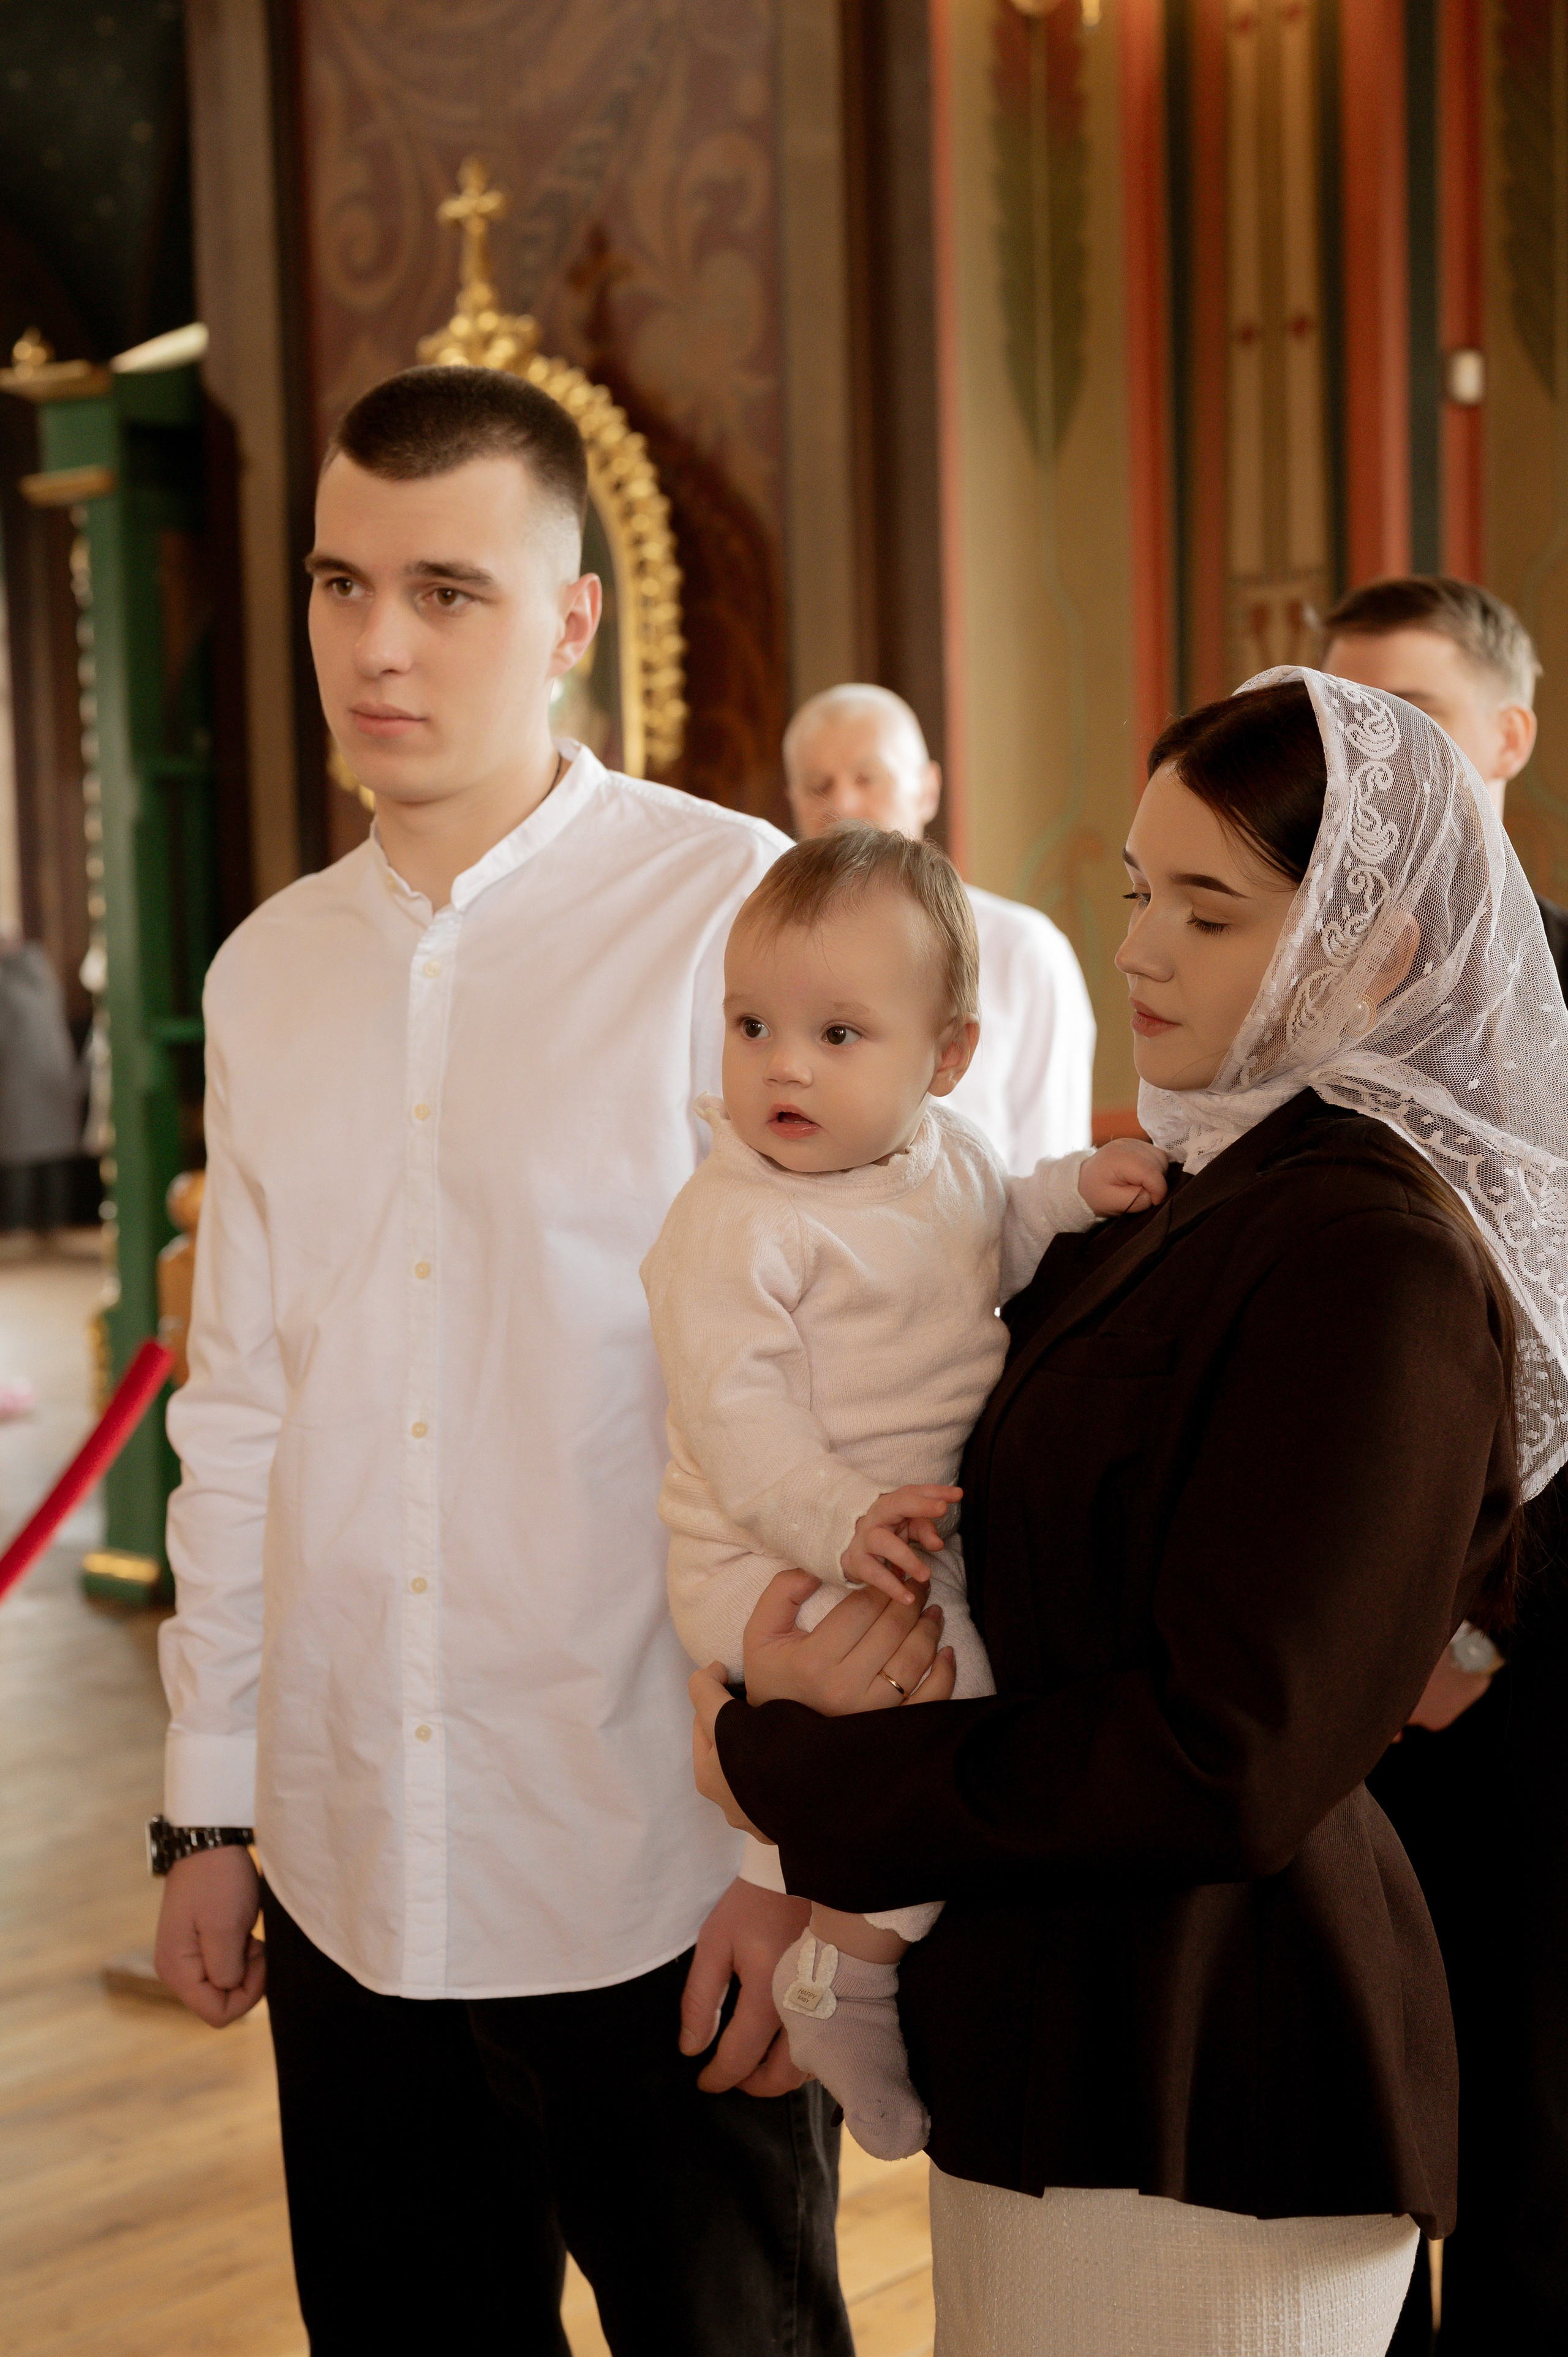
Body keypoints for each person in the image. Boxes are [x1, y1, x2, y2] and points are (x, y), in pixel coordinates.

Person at [691, 668, 1568, 2356]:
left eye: (1212, 910)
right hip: (1057, 2024)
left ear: (1373, 948)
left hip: (1217, 2065)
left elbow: (1231, 1753)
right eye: (1139, 895)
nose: (1144, 951)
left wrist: (801, 1765)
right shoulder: (1194, 1188)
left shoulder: (1369, 1254)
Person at [149, 366, 854, 2357]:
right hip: (354, 1848)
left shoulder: (729, 916)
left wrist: (788, 1853)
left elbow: (846, 1394)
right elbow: (241, 1422)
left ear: (567, 620)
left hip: (654, 1852)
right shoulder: (267, 964)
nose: (377, 642)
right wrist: (208, 1815)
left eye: (448, 589)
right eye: (339, 580)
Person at [640, 823, 1164, 2159]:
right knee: (948, 1730)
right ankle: (848, 1980)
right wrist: (835, 1521)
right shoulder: (735, 1221)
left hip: (895, 1537)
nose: (780, 1066)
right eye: (750, 1024)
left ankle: (839, 1950)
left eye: (834, 1034)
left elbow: (999, 1226)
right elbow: (736, 1426)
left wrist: (1078, 1191)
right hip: (771, 1556)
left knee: (939, 1738)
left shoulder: (943, 1159)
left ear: (944, 1060)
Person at [1322, 575, 1568, 2351]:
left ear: (1510, 740)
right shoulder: (1304, 1035)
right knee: (1342, 2196)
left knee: (1538, 2198)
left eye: (1418, 731)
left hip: (1539, 1715)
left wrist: (1478, 1639)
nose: (1384, 782)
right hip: (1326, 1728)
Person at [783, 683, 1095, 1167]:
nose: (841, 804)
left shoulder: (1023, 951)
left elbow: (1052, 1162)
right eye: (817, 786)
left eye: (868, 777)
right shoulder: (768, 953)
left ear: (928, 789)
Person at [0, 932, 83, 1238]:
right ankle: (51, 1228)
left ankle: (21, 1231)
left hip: (22, 1086)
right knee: (48, 1159)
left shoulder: (9, 984)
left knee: (23, 1163)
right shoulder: (44, 978)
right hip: (53, 1084)